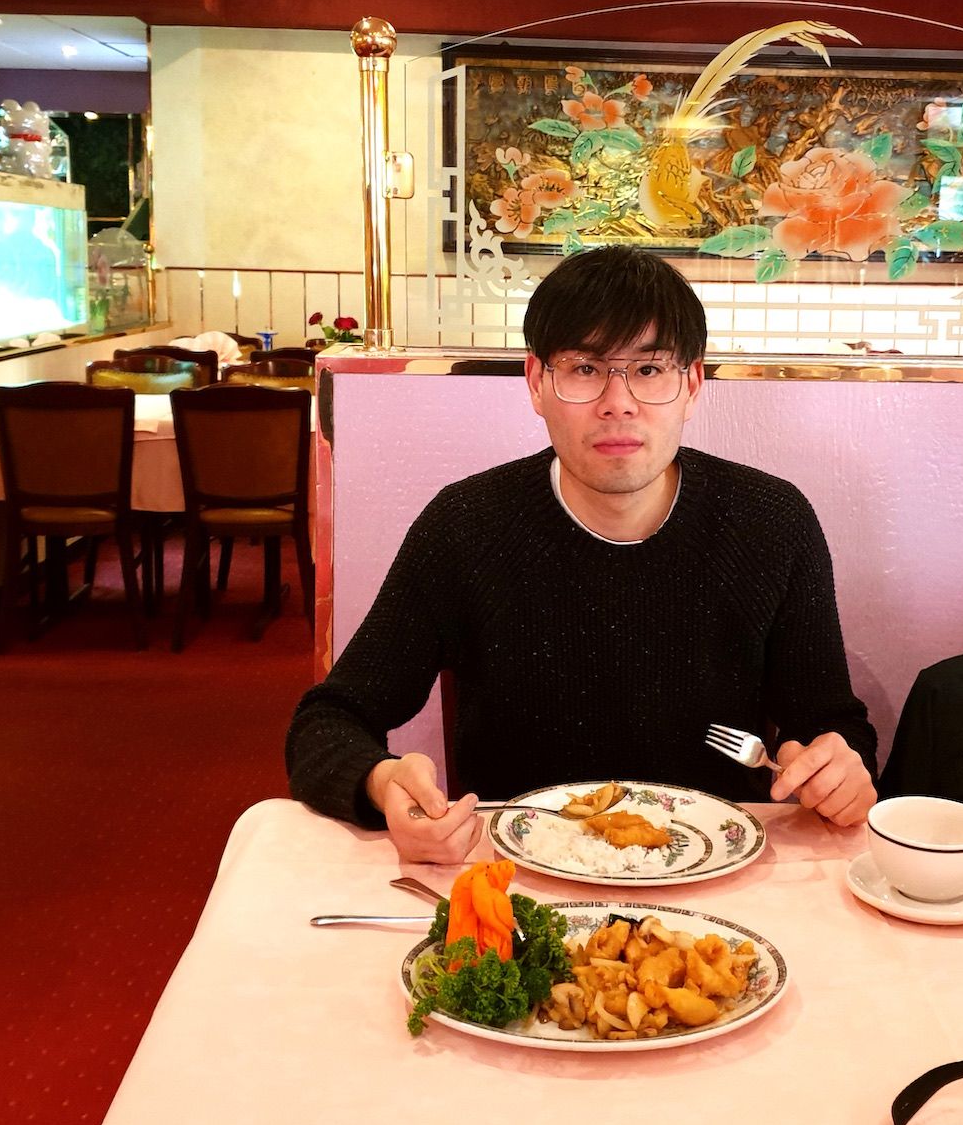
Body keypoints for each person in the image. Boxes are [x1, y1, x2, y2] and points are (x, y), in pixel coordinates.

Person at [284, 246, 878, 862]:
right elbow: (329, 721)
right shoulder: (467, 527)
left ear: (693, 385)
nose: (618, 402)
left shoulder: (771, 523)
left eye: (649, 370)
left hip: (720, 882)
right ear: (537, 383)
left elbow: (834, 726)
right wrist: (382, 784)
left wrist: (838, 770)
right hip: (520, 886)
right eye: (586, 370)